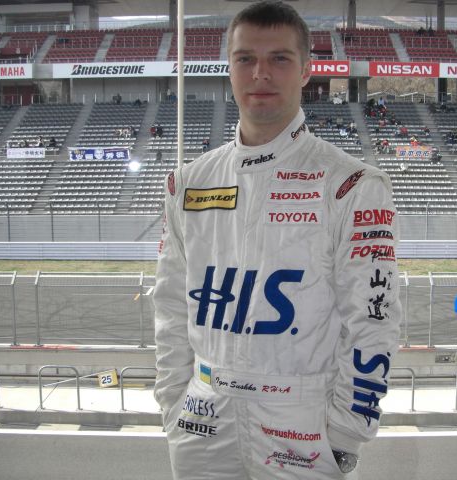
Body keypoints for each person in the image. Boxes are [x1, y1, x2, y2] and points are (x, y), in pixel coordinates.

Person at [153, 2, 401, 479]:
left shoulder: (350, 184)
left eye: (280, 59)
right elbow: (169, 307)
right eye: (245, 58)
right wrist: (172, 401)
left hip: (301, 422)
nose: (260, 73)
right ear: (229, 68)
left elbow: (374, 319)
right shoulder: (187, 183)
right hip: (202, 416)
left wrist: (348, 431)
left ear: (308, 70)